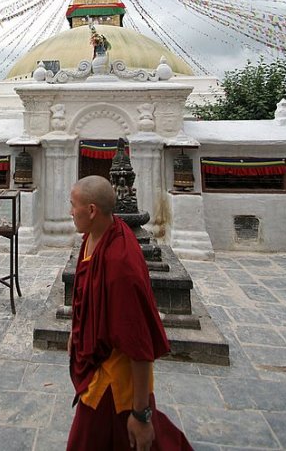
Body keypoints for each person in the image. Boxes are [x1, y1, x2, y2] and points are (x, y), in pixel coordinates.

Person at [67, 175, 193, 451]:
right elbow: (86, 296)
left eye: (73, 205)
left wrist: (141, 414)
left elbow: (139, 343)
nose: (69, 211)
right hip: (97, 358)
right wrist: (76, 332)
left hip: (114, 383)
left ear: (91, 211)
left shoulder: (120, 264)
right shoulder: (97, 234)